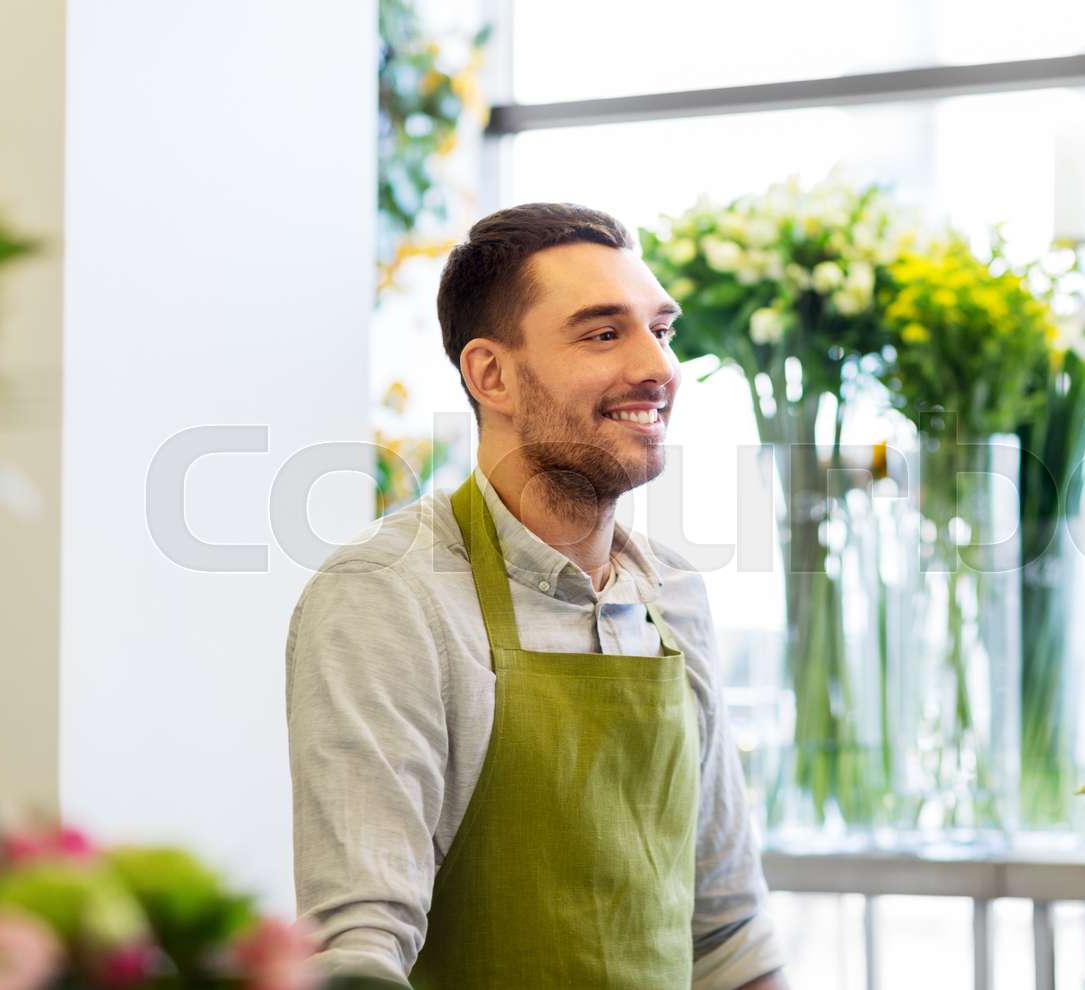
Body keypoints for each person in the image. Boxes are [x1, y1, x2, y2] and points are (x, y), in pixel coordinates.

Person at [285, 203, 788, 989]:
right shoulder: (391, 596)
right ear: (492, 374)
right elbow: (360, 945)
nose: (659, 368)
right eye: (602, 333)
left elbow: (726, 934)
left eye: (662, 330)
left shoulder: (674, 596)